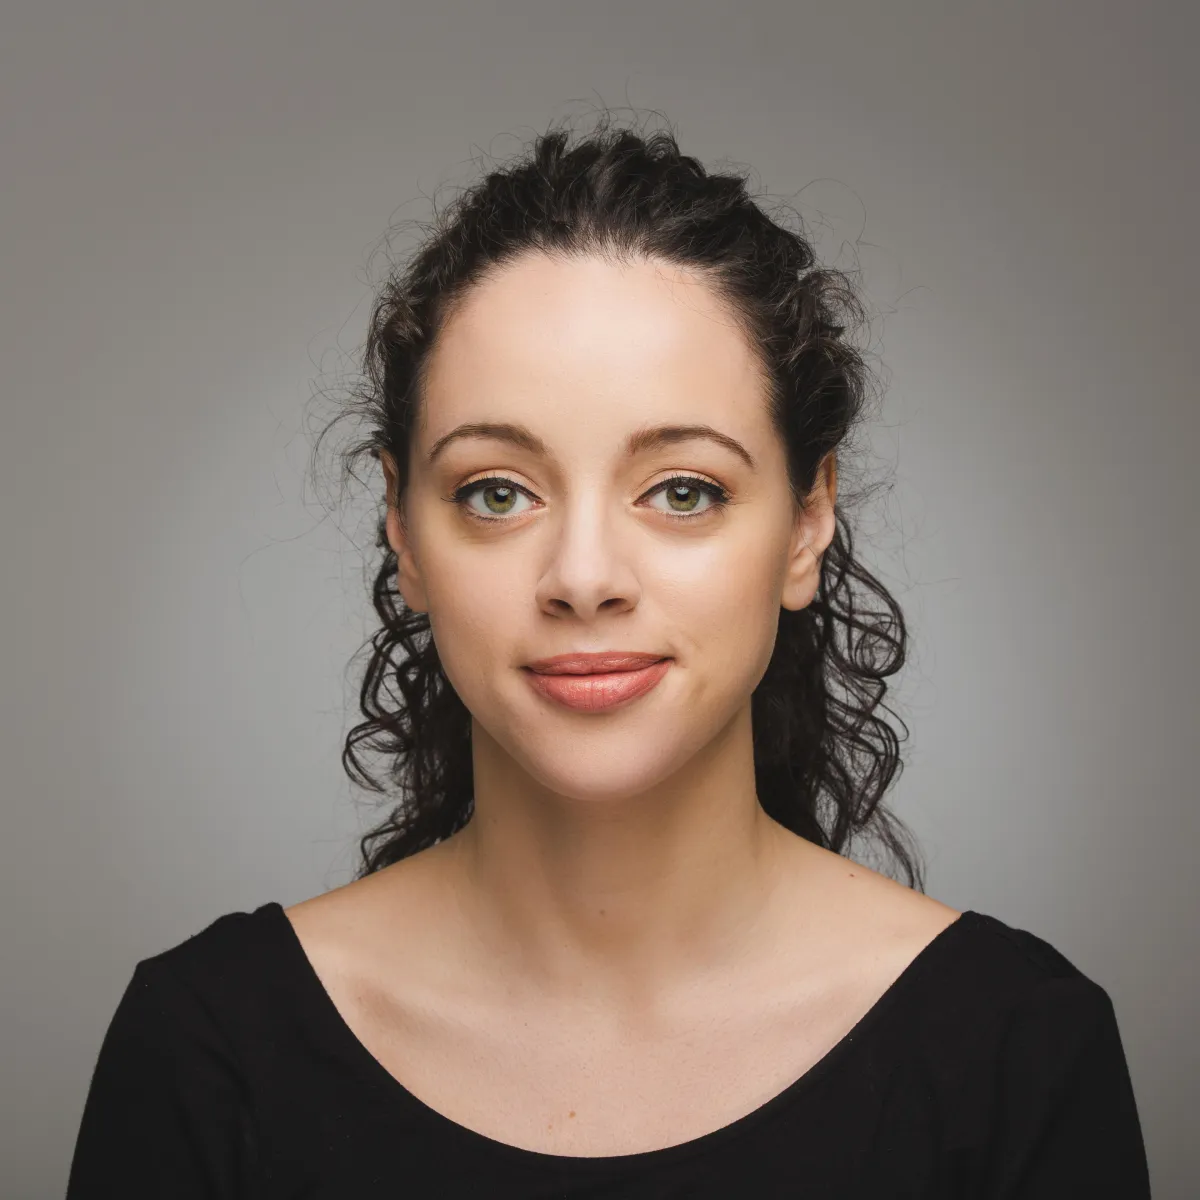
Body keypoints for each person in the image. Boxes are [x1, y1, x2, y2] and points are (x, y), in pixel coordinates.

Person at [65, 112, 1151, 1197]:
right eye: (498, 493)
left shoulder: (1019, 1048)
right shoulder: (204, 1048)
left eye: (683, 491)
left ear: (807, 522)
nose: (583, 578)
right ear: (403, 530)